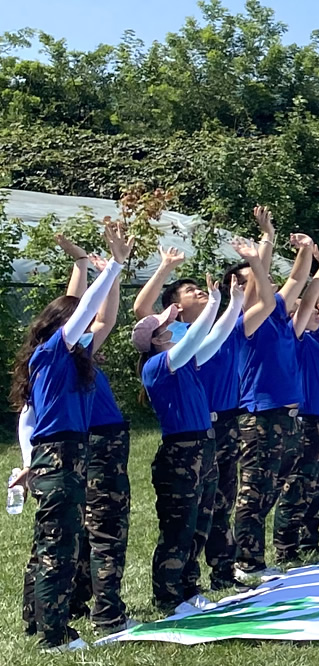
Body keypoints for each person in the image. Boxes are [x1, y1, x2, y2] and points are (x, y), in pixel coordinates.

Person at [10, 227, 124, 651]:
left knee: (51, 543)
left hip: (59, 455)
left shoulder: (66, 359)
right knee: (58, 548)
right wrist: (113, 265)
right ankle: (54, 637)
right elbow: (88, 308)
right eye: (79, 323)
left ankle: (36, 620)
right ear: (62, 326)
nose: (89, 328)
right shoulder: (52, 352)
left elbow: (104, 318)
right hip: (60, 455)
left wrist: (28, 463)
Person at [143, 245, 248, 591]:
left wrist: (234, 302)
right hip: (181, 451)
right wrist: (215, 301)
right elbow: (196, 338)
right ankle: (168, 592)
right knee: (180, 526)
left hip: (203, 446)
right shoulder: (158, 365)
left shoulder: (186, 363)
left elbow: (215, 337)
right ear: (158, 338)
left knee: (201, 521)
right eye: (167, 327)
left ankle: (188, 585)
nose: (174, 329)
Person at [230, 217, 319, 586]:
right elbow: (258, 288)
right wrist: (263, 244)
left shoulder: (279, 316)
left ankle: (251, 555)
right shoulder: (246, 321)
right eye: (254, 277)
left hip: (285, 415)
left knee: (269, 489)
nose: (264, 280)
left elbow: (297, 280)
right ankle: (245, 561)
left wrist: (306, 250)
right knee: (253, 491)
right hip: (260, 416)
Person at [53, 227, 133, 633]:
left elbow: (99, 315)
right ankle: (107, 612)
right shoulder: (66, 353)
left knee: (90, 526)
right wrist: (105, 269)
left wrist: (85, 264)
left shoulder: (72, 351)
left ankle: (79, 600)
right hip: (101, 442)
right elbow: (91, 314)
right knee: (107, 528)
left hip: (96, 441)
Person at [275, 249, 319, 563]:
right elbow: (308, 304)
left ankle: (309, 540)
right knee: (298, 485)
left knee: (317, 484)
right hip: (306, 420)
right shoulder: (297, 336)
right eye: (315, 309)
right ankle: (286, 547)